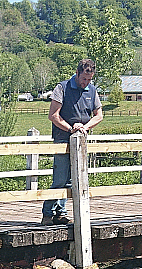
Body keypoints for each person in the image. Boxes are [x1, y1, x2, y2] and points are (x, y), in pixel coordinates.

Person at [41, 59, 103, 225]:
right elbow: (53, 115)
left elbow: (99, 115)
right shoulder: (62, 88)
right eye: (84, 79)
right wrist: (71, 128)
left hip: (81, 139)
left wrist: (85, 127)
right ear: (77, 74)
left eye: (89, 80)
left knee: (71, 179)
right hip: (63, 137)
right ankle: (48, 212)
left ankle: (61, 212)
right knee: (60, 178)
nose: (86, 83)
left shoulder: (92, 90)